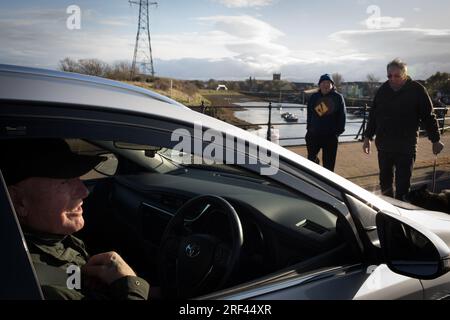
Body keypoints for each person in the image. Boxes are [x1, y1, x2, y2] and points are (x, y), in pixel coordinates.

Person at [0, 138, 150, 300]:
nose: (84, 191)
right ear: (19, 201)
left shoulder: (52, 239)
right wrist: (130, 284)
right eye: (65, 182)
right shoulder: (40, 287)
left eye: (78, 178)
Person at [363, 58, 445, 200]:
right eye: (389, 76)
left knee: (402, 189)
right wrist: (367, 138)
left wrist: (435, 140)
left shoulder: (417, 90)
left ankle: (401, 219)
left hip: (405, 147)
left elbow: (428, 117)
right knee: (385, 186)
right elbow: (374, 115)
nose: (392, 79)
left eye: (396, 76)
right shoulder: (382, 91)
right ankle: (387, 219)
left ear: (405, 75)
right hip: (384, 146)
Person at [306, 73, 346, 171]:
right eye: (323, 82)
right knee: (311, 159)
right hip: (314, 134)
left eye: (328, 82)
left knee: (329, 165)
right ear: (319, 85)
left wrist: (337, 132)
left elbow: (342, 115)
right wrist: (309, 128)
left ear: (332, 85)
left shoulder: (338, 97)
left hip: (330, 136)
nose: (325, 85)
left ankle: (327, 184)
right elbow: (309, 113)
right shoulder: (314, 97)